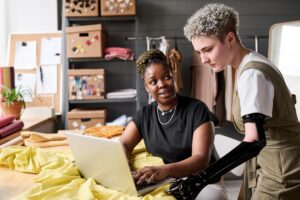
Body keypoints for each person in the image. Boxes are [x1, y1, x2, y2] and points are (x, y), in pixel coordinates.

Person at [168, 3, 300, 200]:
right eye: (199, 52)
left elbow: (254, 141)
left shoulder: (252, 74)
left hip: (281, 172)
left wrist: (202, 178)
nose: (203, 59)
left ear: (230, 38)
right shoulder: (250, 64)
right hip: (272, 165)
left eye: (208, 49)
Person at [119, 49, 228, 199]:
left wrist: (164, 170)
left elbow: (201, 159)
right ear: (146, 88)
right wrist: (125, 169)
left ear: (174, 77)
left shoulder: (197, 110)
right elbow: (123, 145)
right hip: (167, 179)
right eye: (153, 81)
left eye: (167, 77)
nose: (162, 84)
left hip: (203, 180)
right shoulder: (144, 115)